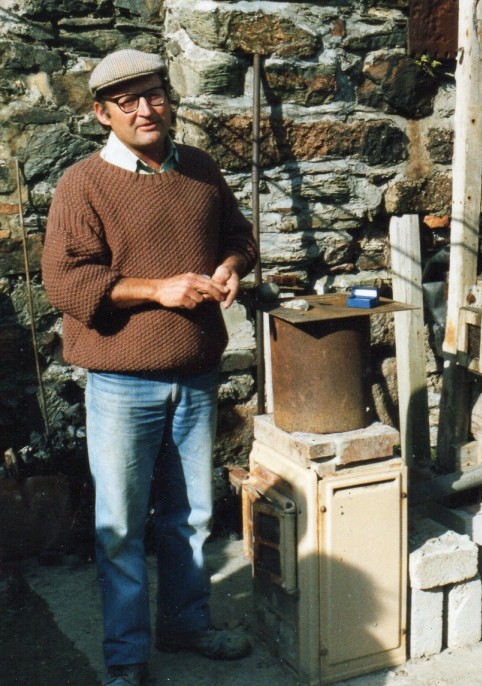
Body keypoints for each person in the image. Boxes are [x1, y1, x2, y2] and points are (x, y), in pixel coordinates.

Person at [41, 49, 259, 686]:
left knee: (190, 516)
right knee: (120, 527)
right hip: (121, 382)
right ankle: (127, 659)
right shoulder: (83, 183)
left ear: (169, 97)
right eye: (127, 101)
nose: (145, 110)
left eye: (154, 95)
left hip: (193, 374)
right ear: (102, 113)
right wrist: (155, 289)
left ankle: (186, 624)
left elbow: (239, 236)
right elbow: (66, 282)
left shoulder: (200, 169)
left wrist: (230, 268)